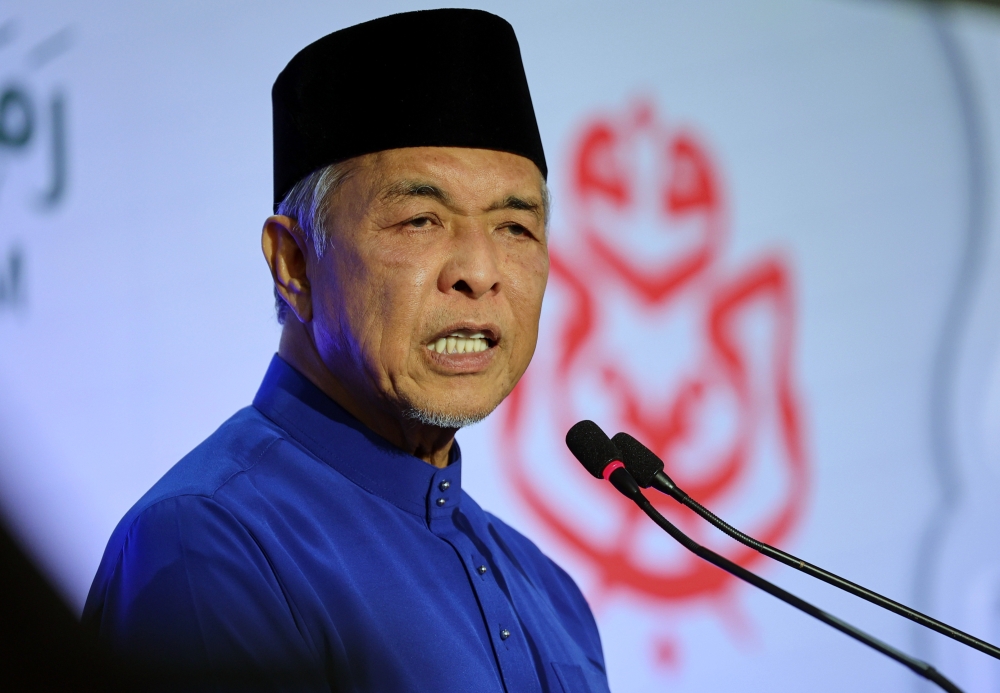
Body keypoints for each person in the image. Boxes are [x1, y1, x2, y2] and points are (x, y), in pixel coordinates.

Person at [83, 9, 610, 693]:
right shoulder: (209, 543)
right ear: (295, 262)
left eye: (514, 225)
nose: (480, 271)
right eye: (422, 220)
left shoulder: (552, 594)